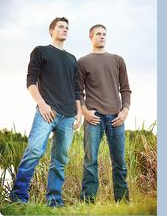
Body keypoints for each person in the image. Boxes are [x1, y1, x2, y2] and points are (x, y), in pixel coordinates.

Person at [9, 17, 82, 207]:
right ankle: (18, 197)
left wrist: (79, 112)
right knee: (34, 151)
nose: (65, 29)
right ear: (51, 31)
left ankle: (54, 201)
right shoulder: (41, 51)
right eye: (61, 27)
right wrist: (42, 104)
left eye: (67, 27)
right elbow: (31, 81)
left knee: (60, 160)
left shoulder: (72, 58)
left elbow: (76, 89)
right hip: (46, 111)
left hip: (68, 115)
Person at [78, 24, 131, 203]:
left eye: (104, 34)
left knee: (120, 163)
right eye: (98, 34)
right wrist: (84, 111)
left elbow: (125, 89)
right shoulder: (83, 61)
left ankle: (123, 203)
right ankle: (87, 203)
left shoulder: (117, 60)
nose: (102, 36)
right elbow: (78, 90)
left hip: (116, 117)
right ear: (90, 36)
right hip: (94, 118)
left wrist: (124, 111)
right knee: (90, 162)